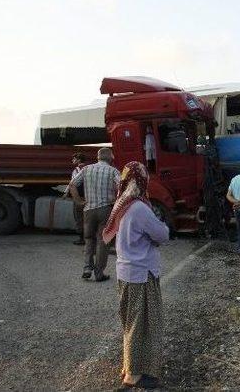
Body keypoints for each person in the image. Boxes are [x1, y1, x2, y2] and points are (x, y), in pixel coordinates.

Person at [101, 161, 168, 390]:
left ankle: (132, 367)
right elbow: (162, 234)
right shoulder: (139, 208)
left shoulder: (123, 204)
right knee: (142, 324)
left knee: (133, 322)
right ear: (142, 182)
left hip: (127, 272)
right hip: (141, 273)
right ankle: (133, 375)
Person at [70, 147, 120, 282]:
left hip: (88, 210)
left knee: (88, 239)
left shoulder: (86, 169)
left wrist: (79, 201)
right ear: (110, 157)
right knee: (103, 241)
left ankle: (87, 268)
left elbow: (72, 185)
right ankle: (99, 273)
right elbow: (122, 187)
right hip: (105, 210)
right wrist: (116, 201)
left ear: (98, 157)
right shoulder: (113, 171)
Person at [64, 152, 86, 245]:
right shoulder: (89, 168)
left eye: (74, 159)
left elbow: (72, 183)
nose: (72, 160)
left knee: (79, 217)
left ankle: (81, 239)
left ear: (79, 160)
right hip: (88, 195)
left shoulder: (76, 170)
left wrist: (66, 192)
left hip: (78, 196)